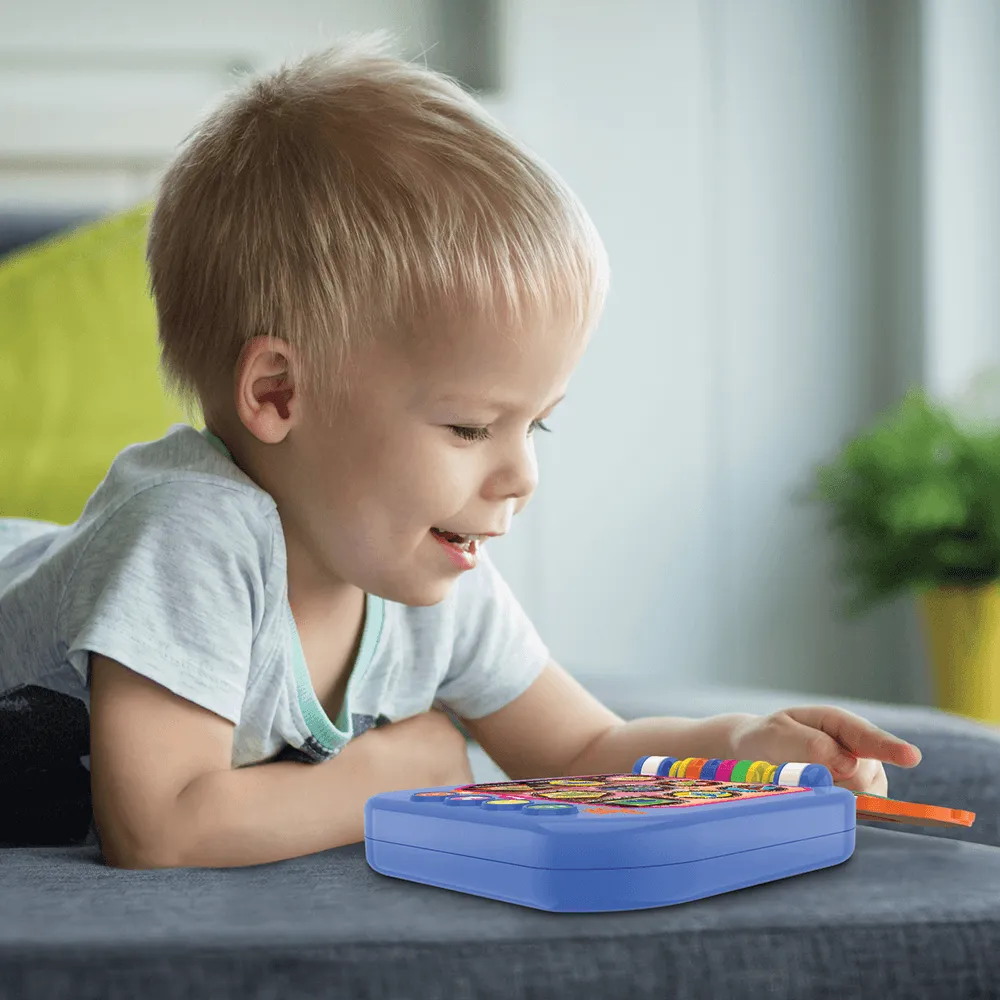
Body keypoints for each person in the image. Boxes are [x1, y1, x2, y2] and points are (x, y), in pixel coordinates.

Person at [0, 36, 920, 867]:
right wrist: (396, 772)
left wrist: (741, 746)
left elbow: (576, 753)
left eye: (538, 424)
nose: (521, 476)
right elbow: (160, 829)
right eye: (471, 429)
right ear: (280, 393)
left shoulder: (428, 585)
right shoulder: (190, 533)